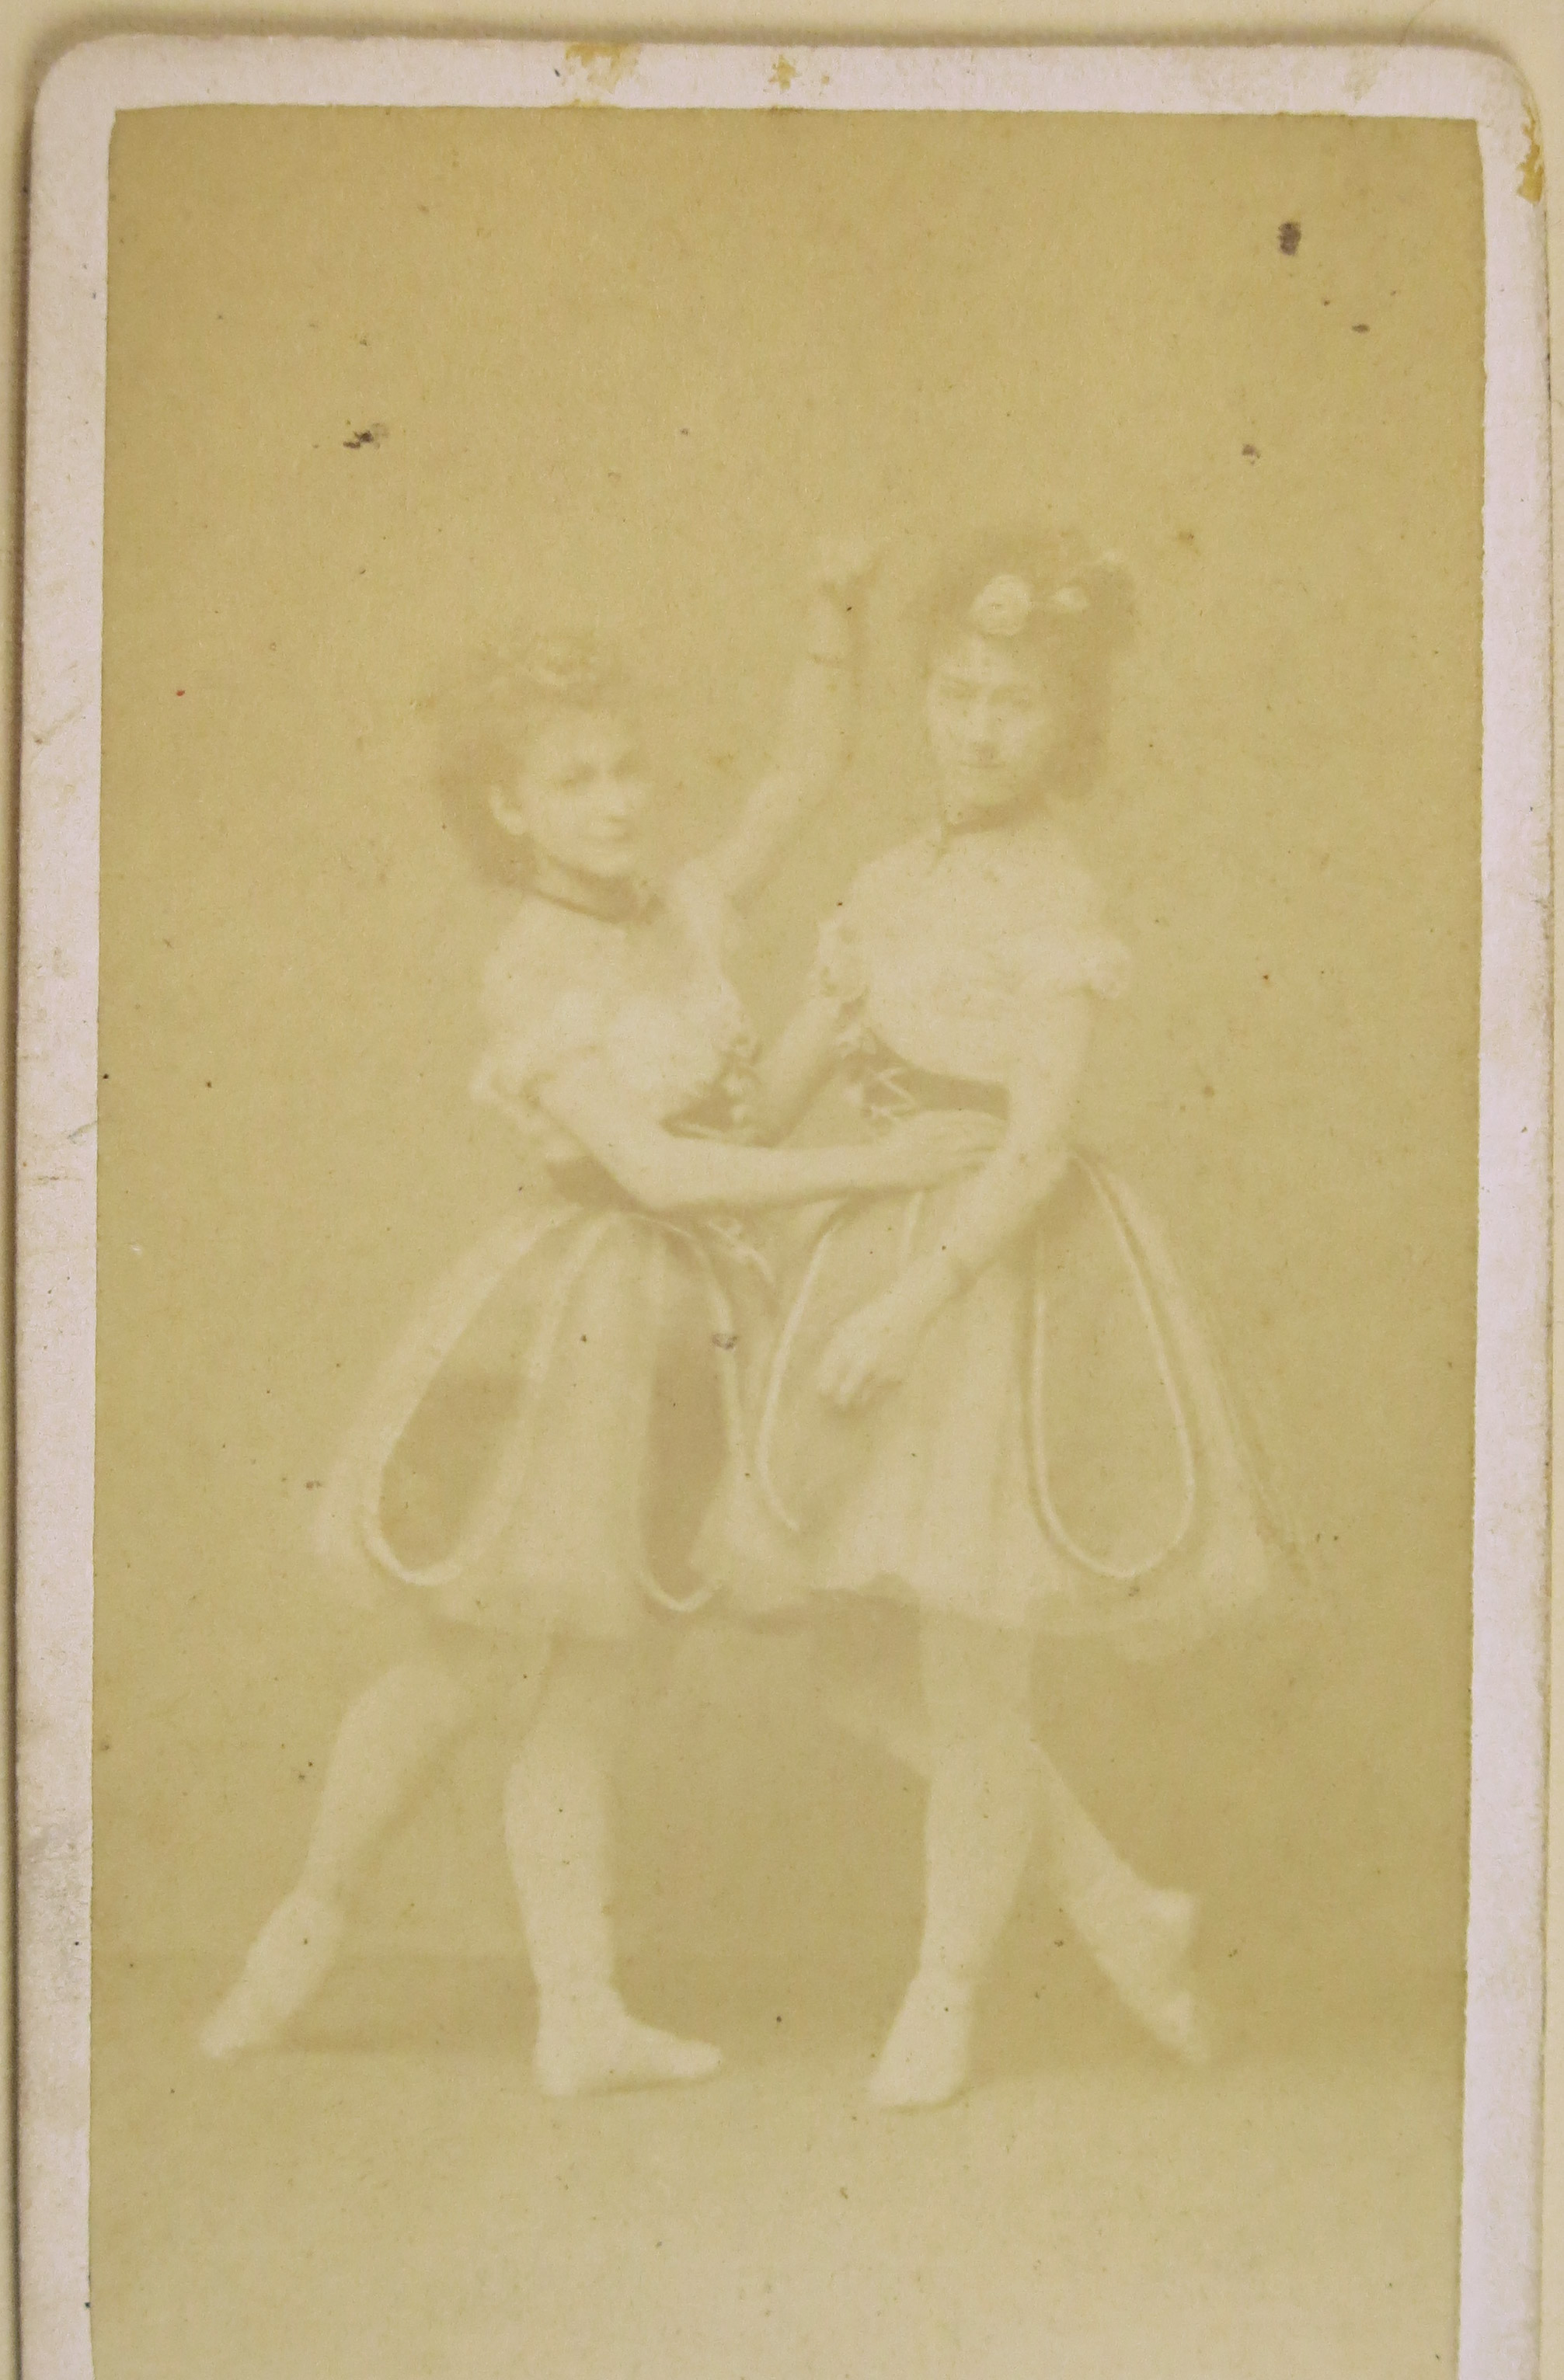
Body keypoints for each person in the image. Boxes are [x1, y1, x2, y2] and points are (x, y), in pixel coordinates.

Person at [199, 542, 998, 2096]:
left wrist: (829, 629)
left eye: (627, 768)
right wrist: (874, 1163)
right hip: (566, 1325)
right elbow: (661, 1169)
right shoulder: (532, 971)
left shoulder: (682, 911)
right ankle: (301, 1933)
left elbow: (797, 779)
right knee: (452, 1669)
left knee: (598, 1681)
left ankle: (577, 2013)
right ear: (511, 808)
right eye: (575, 780)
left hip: (686, 1335)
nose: (619, 800)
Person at [705, 531, 1280, 2108]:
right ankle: (1117, 1902)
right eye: (955, 691)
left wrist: (913, 1301)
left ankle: (944, 1991)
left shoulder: (1053, 895)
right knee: (850, 1669)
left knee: (971, 1676)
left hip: (985, 1286)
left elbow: (1034, 1144)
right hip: (857, 1255)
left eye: (1011, 702)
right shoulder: (887, 880)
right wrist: (665, 1043)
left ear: (1064, 724)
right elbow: (774, 1093)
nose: (975, 724)